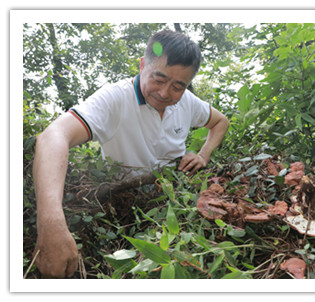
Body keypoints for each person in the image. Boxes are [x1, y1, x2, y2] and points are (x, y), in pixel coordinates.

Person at [32, 30, 230, 278]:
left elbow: (221, 121)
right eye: (158, 79)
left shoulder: (187, 102)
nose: (165, 93)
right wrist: (50, 224)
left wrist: (204, 154)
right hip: (123, 208)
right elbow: (53, 136)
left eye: (178, 86)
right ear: (143, 64)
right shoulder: (115, 99)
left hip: (176, 199)